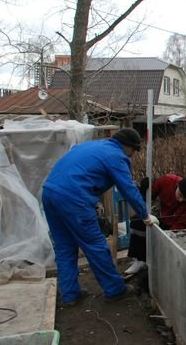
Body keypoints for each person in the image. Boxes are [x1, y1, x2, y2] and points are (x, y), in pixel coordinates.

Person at [42, 127, 159, 306]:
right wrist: (145, 215)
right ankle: (115, 289)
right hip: (73, 199)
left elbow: (82, 172)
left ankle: (70, 295)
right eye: (134, 151)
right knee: (96, 246)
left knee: (65, 247)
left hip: (50, 193)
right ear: (127, 147)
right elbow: (128, 188)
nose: (132, 155)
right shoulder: (116, 156)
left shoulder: (91, 146)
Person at [125, 173, 186, 274]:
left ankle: (159, 261)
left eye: (185, 199)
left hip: (176, 227)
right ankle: (140, 259)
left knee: (168, 242)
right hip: (163, 218)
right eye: (180, 195)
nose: (180, 199)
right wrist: (144, 189)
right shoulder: (167, 181)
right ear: (178, 185)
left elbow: (180, 225)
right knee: (137, 223)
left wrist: (166, 235)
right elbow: (148, 195)